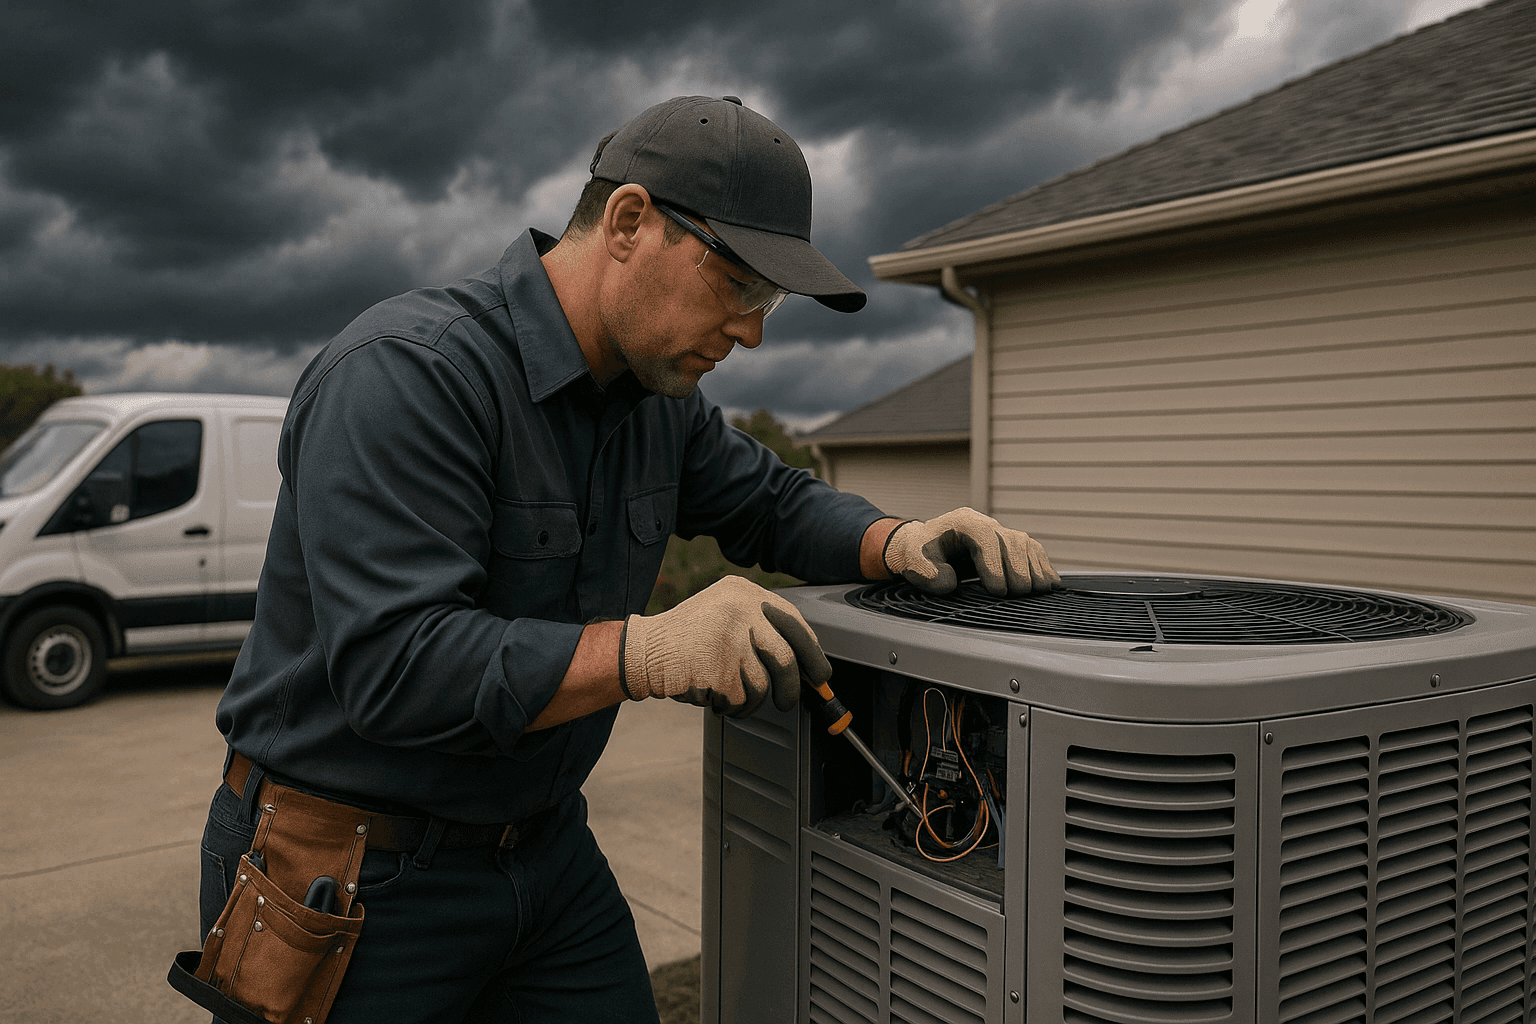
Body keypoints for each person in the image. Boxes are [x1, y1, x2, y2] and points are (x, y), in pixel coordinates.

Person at [190, 95, 1058, 1024]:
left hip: (543, 852)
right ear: (630, 221)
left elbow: (768, 501)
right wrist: (647, 652)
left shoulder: (655, 405)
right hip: (350, 873)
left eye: (770, 304)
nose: (754, 332)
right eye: (741, 286)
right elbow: (397, 668)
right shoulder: (409, 375)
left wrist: (899, 540)